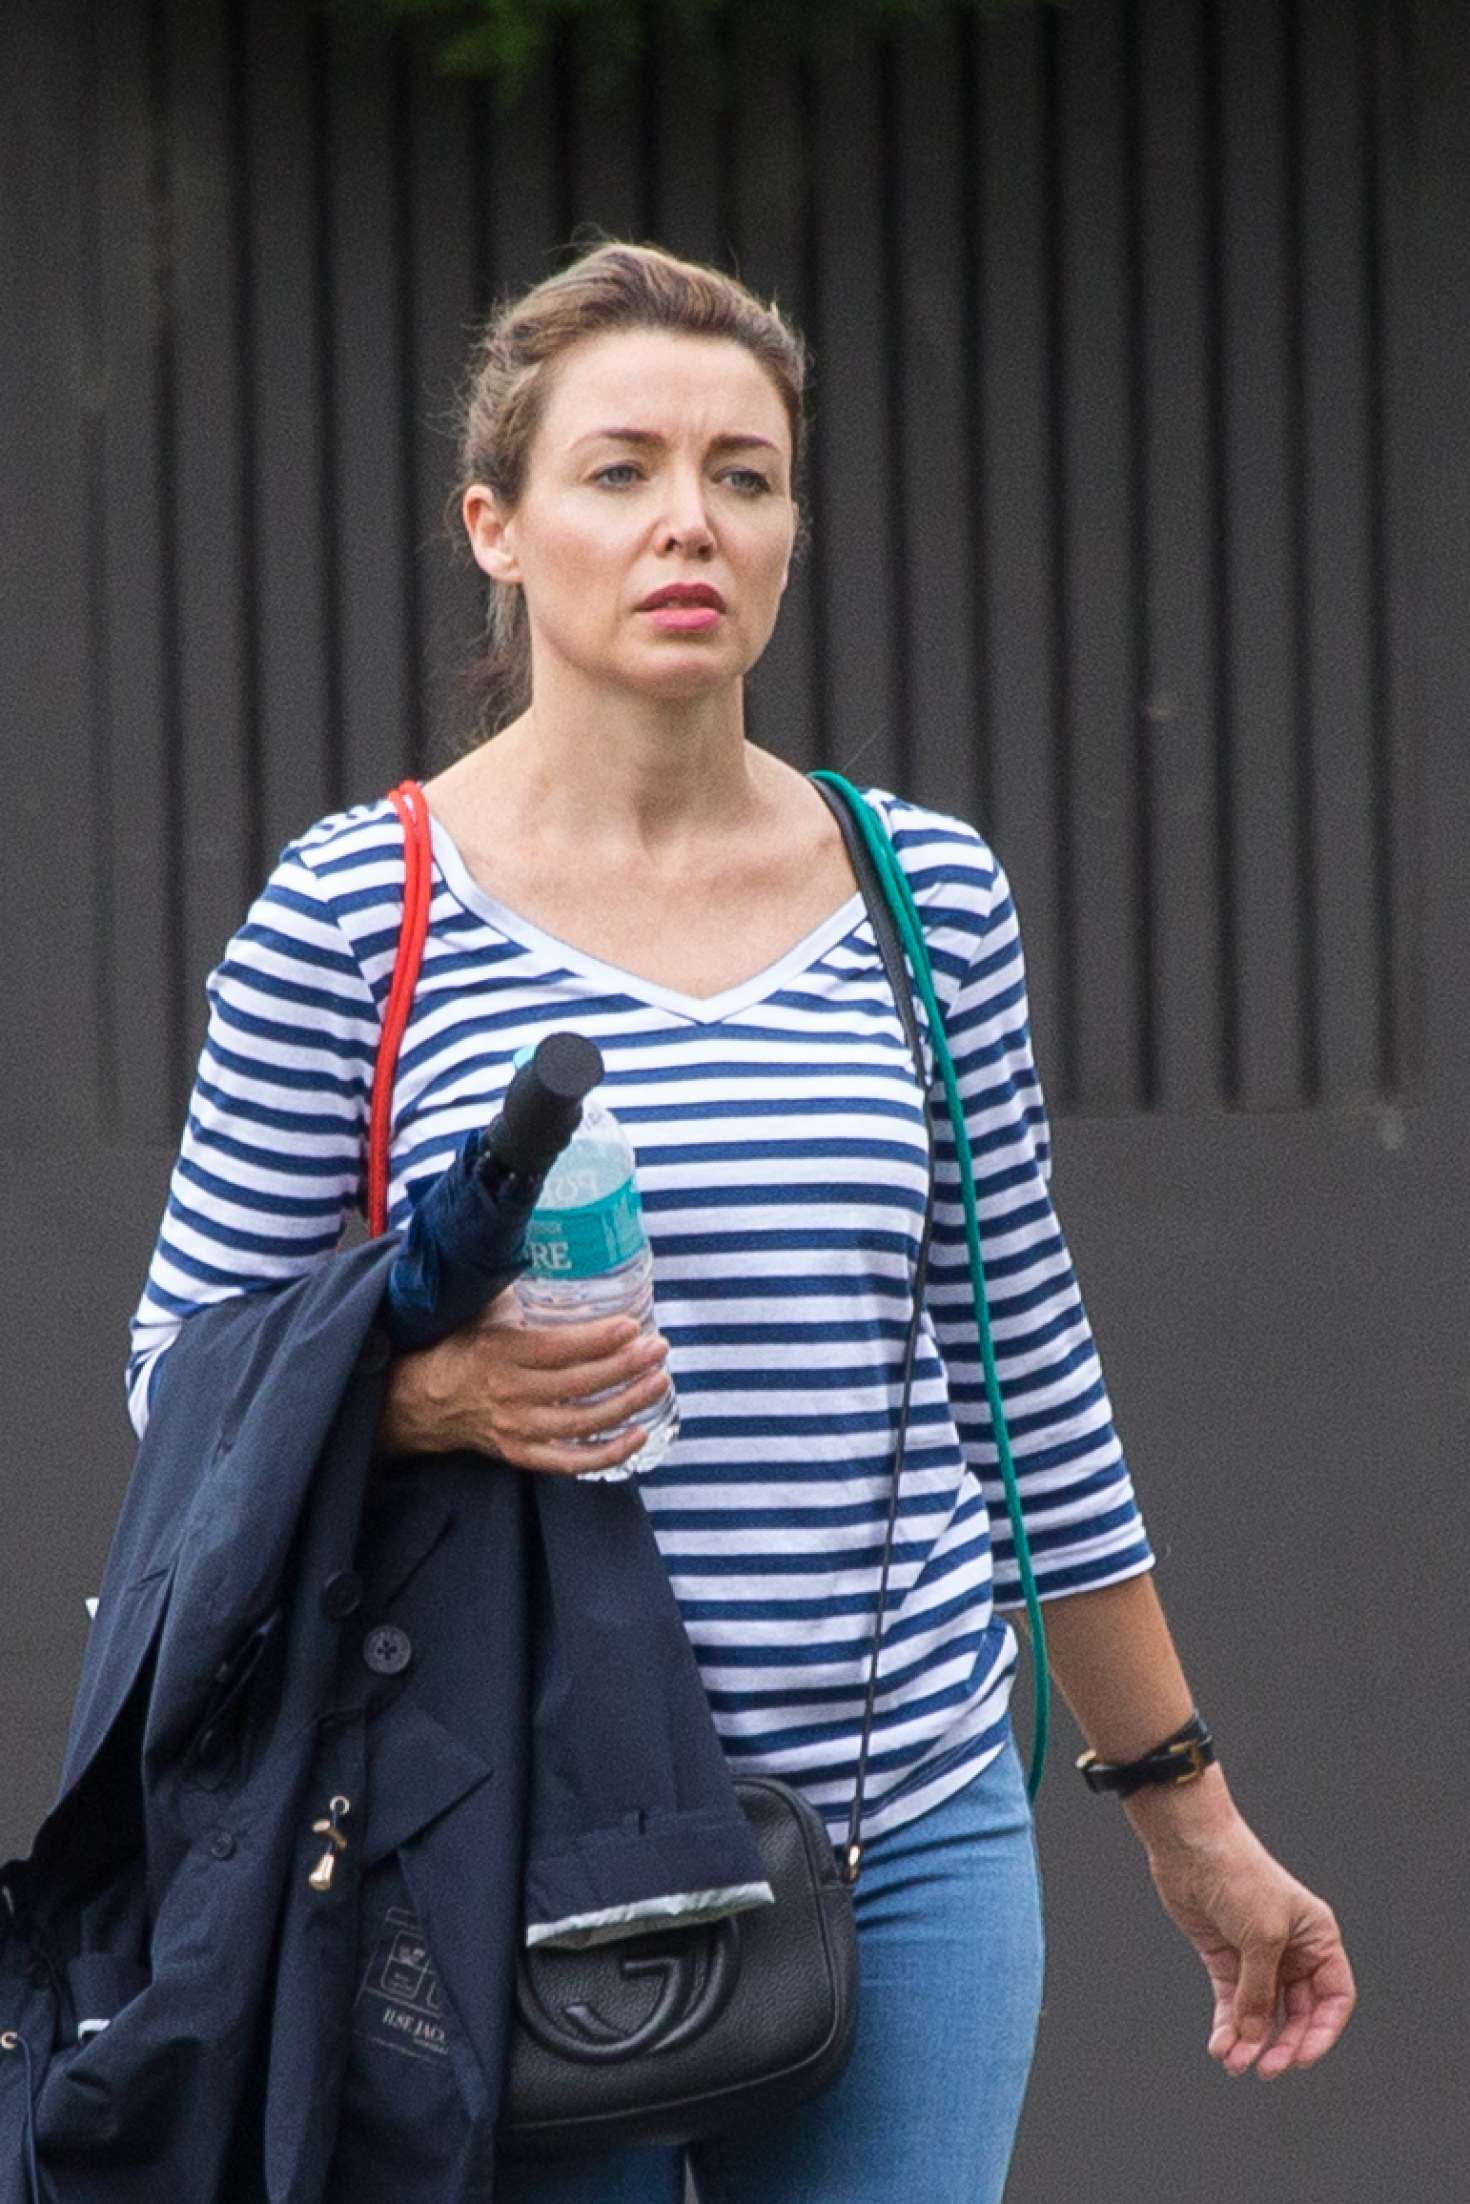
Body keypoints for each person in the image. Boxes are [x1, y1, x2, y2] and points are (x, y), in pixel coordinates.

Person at [126, 237, 1355, 2202]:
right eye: (618, 470)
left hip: (908, 1824)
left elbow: (1025, 1375)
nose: (686, 520)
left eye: (743, 474)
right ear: (496, 526)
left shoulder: (921, 893)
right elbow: (181, 1374)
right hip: (504, 1838)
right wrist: (429, 1396)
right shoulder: (359, 911)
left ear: (789, 531)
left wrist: (1183, 1810)